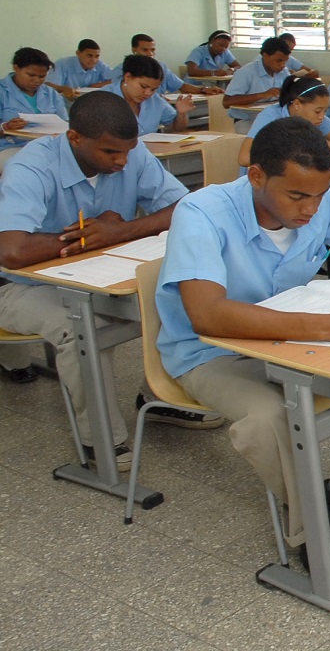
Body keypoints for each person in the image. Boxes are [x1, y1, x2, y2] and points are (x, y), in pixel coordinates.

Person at [156, 117, 330, 581]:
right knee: (268, 416)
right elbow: (207, 316)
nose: (311, 208)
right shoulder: (202, 212)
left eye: (318, 195)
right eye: (297, 196)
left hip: (290, 340)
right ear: (256, 176)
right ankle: (311, 521)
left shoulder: (321, 200)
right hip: (211, 353)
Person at [0, 92, 222, 471]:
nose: (122, 161)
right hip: (21, 286)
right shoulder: (32, 167)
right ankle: (100, 440)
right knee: (81, 327)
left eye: (127, 151)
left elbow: (185, 207)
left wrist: (121, 232)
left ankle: (159, 396)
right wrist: (89, 237)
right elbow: (12, 250)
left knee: (177, 299)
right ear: (74, 139)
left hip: (94, 273)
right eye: (110, 153)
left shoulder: (129, 153)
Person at [240, 76, 330, 167]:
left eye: (325, 111)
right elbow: (244, 158)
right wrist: (293, 152)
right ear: (297, 104)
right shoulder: (270, 116)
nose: (322, 116)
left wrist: (314, 148)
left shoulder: (315, 118)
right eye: (318, 111)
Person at [0, 48, 70, 172]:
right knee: (26, 170)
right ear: (16, 68)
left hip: (49, 146)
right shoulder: (2, 91)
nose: (37, 80)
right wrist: (5, 127)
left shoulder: (51, 94)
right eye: (31, 75)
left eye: (42, 76)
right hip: (11, 147)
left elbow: (65, 124)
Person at [103, 55, 194, 135]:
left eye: (153, 89)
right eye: (143, 86)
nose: (148, 93)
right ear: (127, 77)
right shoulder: (103, 98)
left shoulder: (156, 100)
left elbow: (176, 128)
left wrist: (182, 114)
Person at [117, 34, 222, 95]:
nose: (150, 54)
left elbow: (182, 86)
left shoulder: (160, 67)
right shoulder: (121, 69)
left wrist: (203, 89)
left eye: (153, 50)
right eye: (145, 50)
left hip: (160, 107)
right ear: (134, 50)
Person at [222, 37, 292, 127]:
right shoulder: (246, 72)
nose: (282, 65)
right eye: (279, 60)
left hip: (274, 118)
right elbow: (227, 102)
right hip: (247, 120)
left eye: (285, 61)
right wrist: (261, 95)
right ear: (265, 55)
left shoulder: (284, 72)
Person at [46, 39, 114, 98]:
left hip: (90, 104)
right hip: (66, 106)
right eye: (89, 56)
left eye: (97, 56)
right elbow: (48, 85)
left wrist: (96, 86)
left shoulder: (99, 64)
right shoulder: (62, 64)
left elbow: (118, 78)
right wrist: (63, 89)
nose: (93, 60)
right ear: (78, 53)